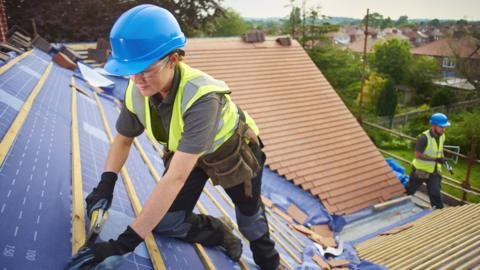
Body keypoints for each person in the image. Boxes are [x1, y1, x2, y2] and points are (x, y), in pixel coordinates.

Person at [66, 4, 281, 270]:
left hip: (231, 153)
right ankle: (219, 232)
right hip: (188, 153)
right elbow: (123, 139)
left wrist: (123, 244)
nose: (138, 79)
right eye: (132, 70)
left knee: (250, 223)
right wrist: (106, 184)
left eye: (146, 69)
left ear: (174, 59)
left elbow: (176, 177)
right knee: (166, 222)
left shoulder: (202, 99)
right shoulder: (138, 89)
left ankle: (269, 263)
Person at [406, 113, 451, 209]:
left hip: (434, 172)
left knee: (435, 193)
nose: (443, 129)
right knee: (409, 191)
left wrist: (442, 158)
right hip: (420, 171)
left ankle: (439, 214)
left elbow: (440, 148)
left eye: (444, 127)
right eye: (441, 127)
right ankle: (398, 206)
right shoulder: (423, 138)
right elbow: (418, 155)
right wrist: (436, 159)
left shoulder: (442, 136)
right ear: (433, 125)